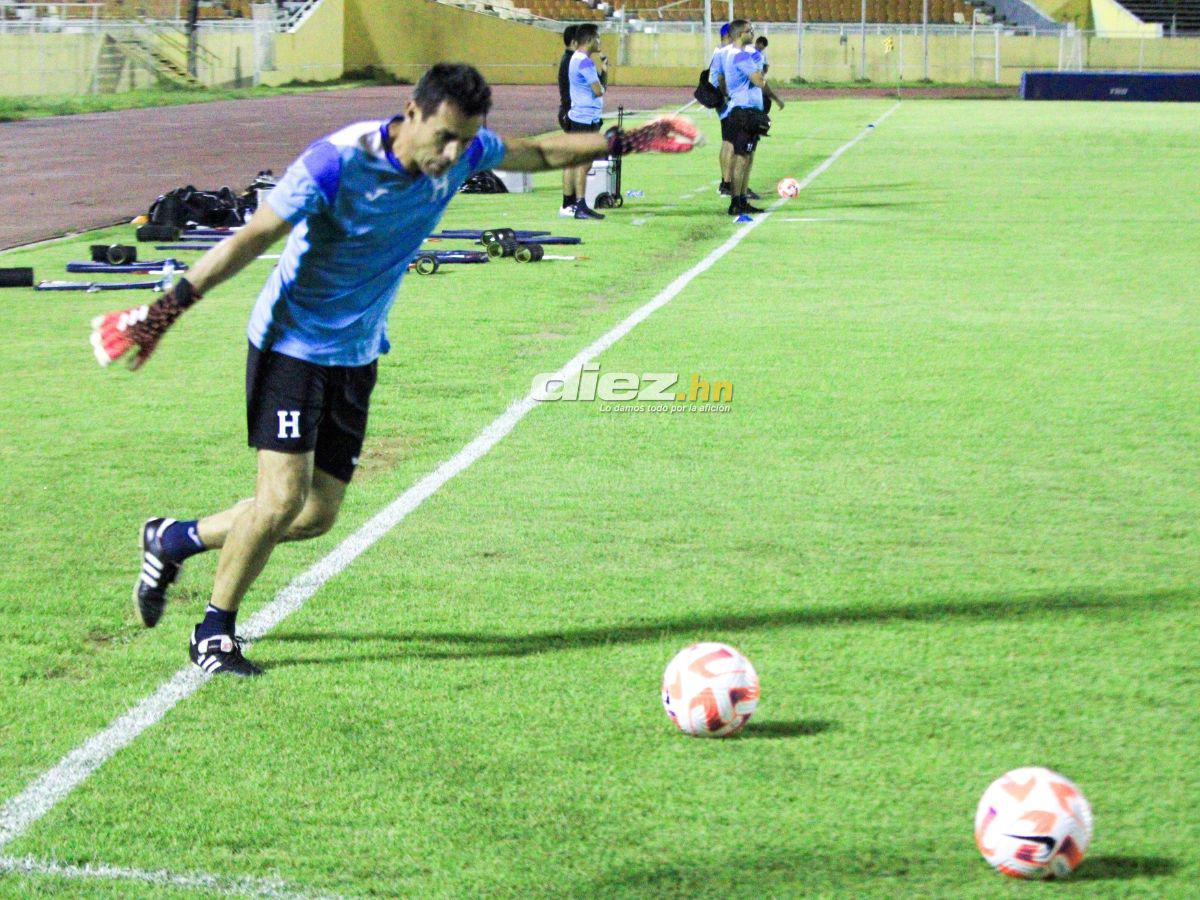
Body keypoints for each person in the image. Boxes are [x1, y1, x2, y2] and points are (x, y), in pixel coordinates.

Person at [90, 63, 697, 676]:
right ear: (412, 113)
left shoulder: (465, 150)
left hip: (357, 349)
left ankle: (174, 539)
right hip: (291, 343)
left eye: (466, 140)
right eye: (444, 138)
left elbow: (538, 150)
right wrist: (164, 311)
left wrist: (630, 139)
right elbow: (250, 238)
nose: (455, 154)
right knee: (278, 502)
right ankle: (214, 632)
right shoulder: (336, 163)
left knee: (315, 516)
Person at [724, 21, 784, 216]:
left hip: (746, 112)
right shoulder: (741, 56)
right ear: (741, 34)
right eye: (750, 31)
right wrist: (759, 71)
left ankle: (741, 200)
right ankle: (736, 202)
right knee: (742, 158)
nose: (753, 33)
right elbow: (758, 80)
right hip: (743, 113)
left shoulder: (736, 55)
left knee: (747, 158)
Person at [563, 24, 608, 220]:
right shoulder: (586, 63)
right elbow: (598, 90)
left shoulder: (576, 59)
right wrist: (602, 85)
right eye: (597, 38)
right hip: (585, 118)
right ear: (589, 39)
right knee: (584, 163)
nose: (599, 42)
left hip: (579, 116)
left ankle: (571, 203)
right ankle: (580, 205)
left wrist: (603, 72)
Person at [709, 23, 735, 198]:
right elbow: (721, 76)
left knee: (727, 141)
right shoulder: (724, 52)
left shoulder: (718, 50)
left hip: (720, 100)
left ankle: (726, 182)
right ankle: (727, 183)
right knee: (731, 143)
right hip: (726, 101)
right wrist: (727, 95)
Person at [557, 24, 579, 215]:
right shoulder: (570, 61)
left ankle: (572, 202)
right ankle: (566, 204)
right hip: (570, 113)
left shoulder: (571, 59)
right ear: (573, 41)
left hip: (570, 112)